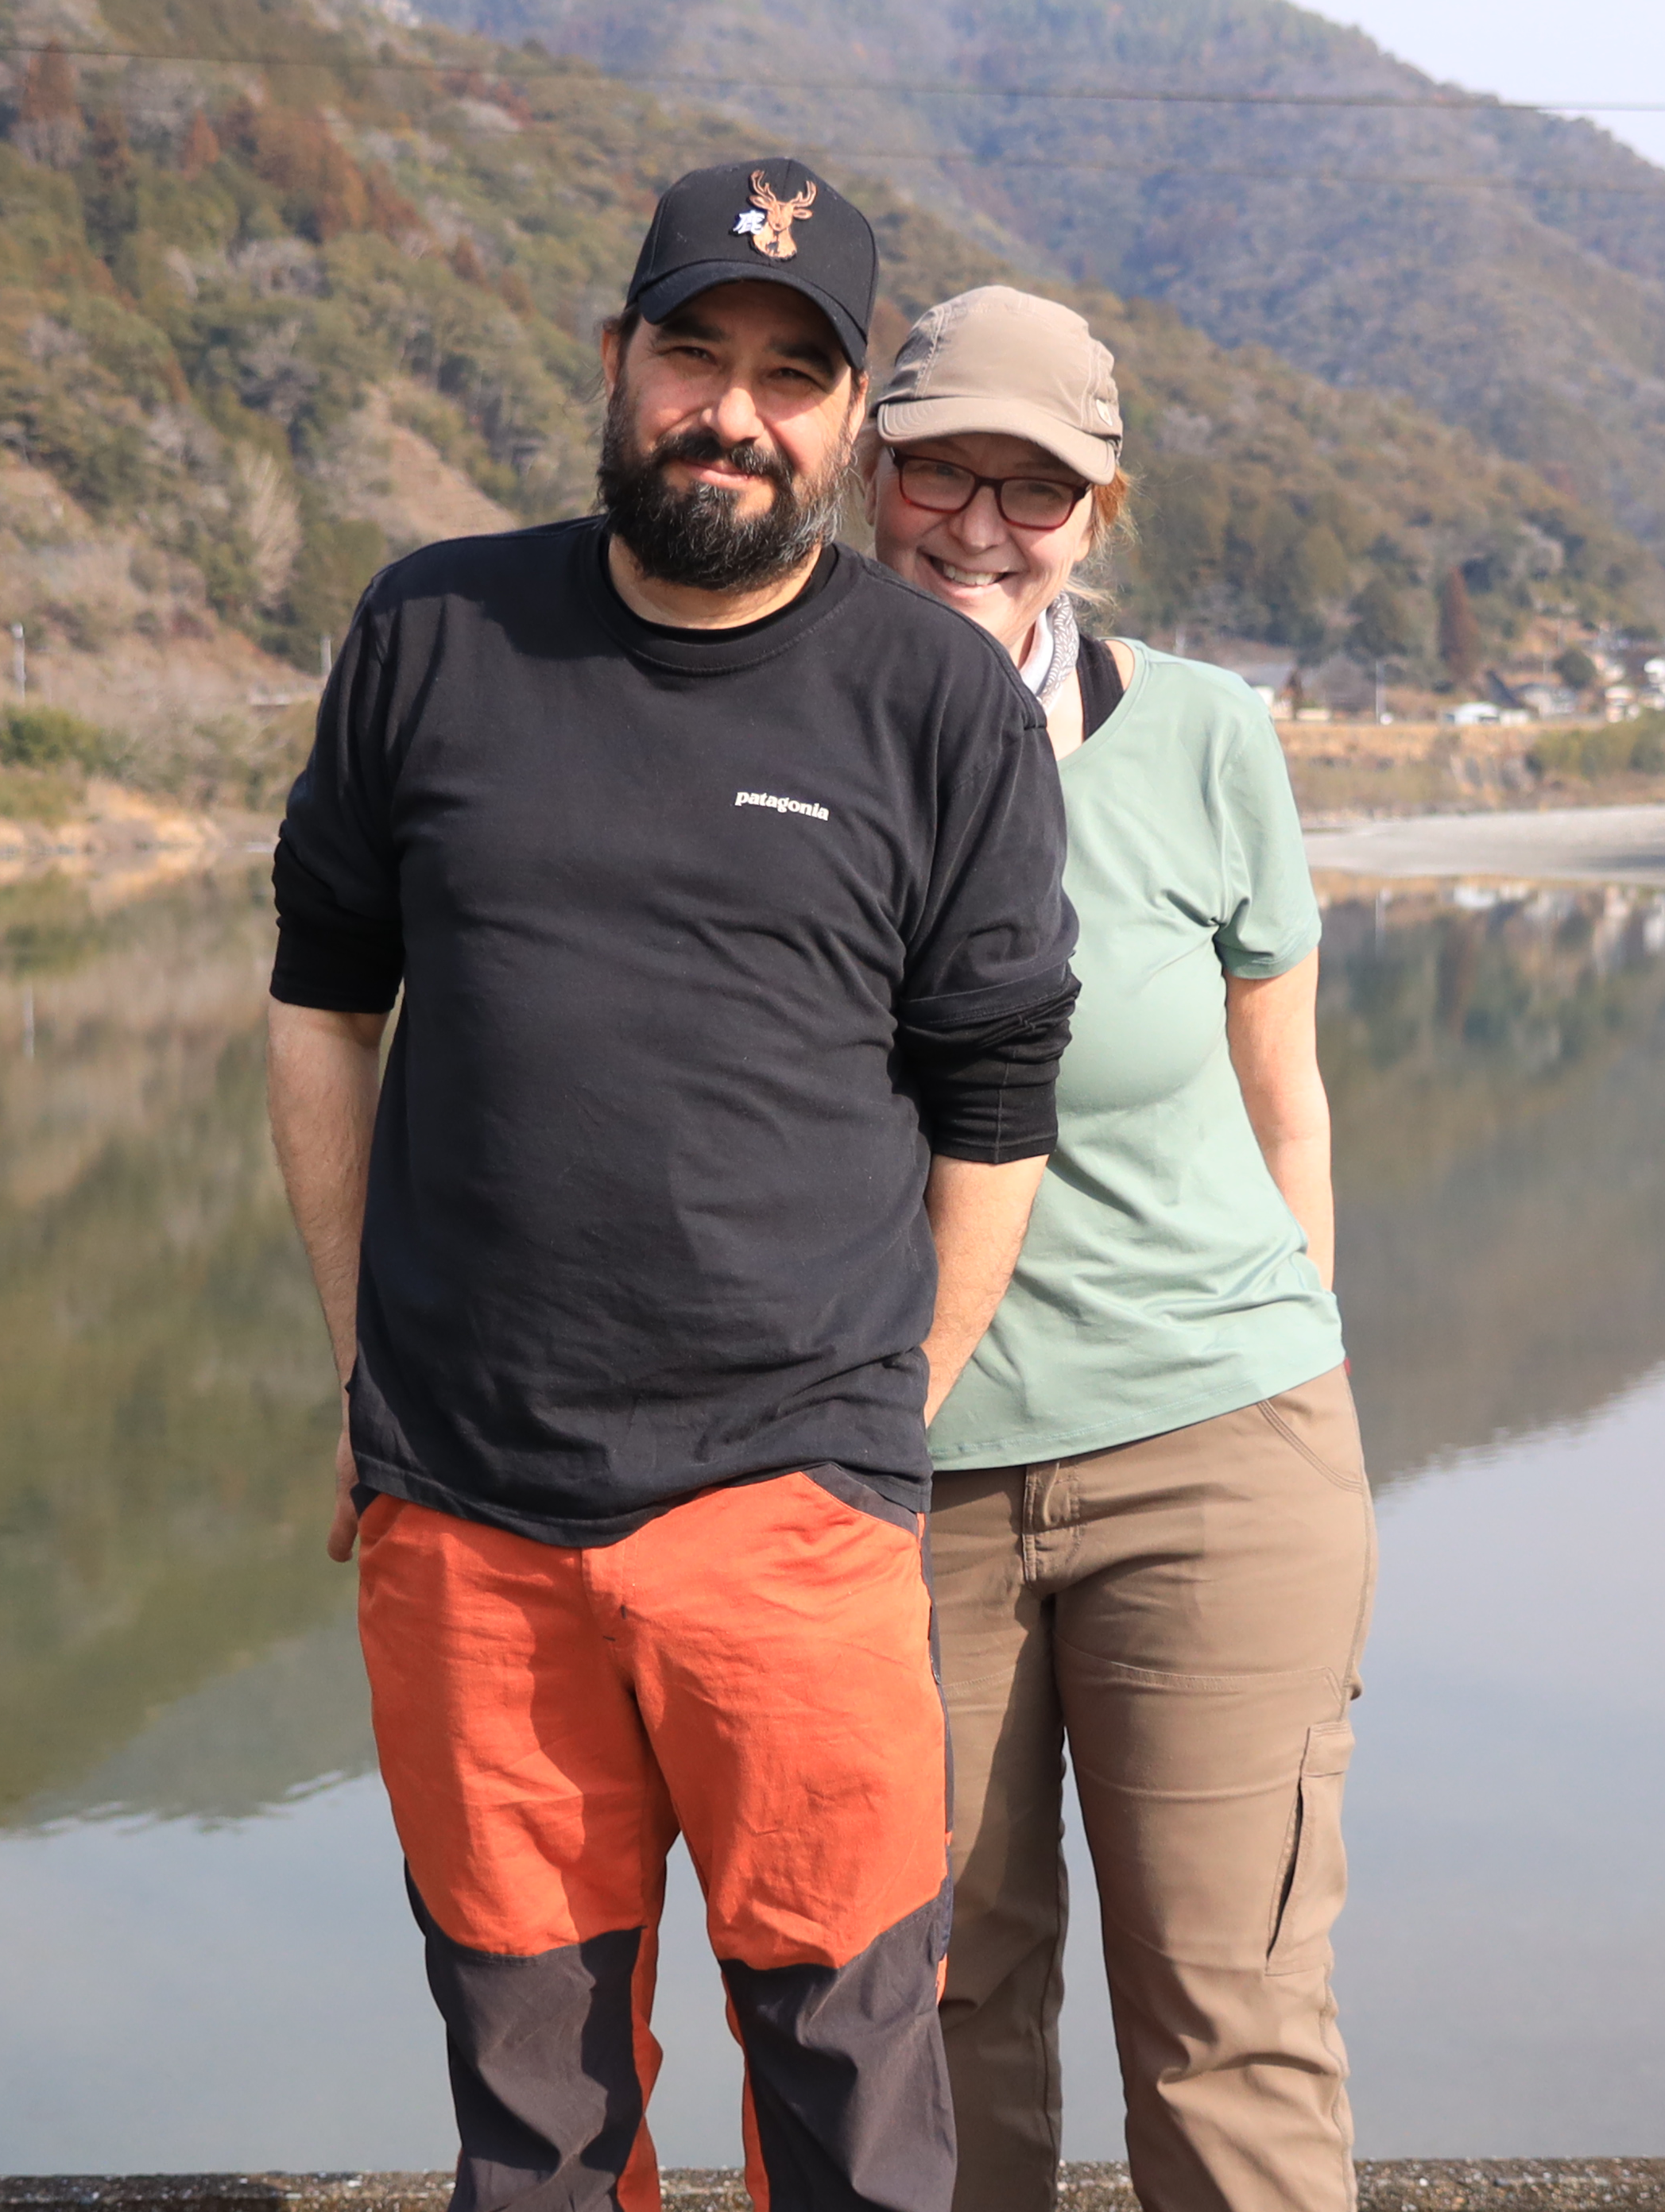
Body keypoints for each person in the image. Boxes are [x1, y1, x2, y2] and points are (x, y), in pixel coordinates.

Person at [265, 168, 1080, 2212]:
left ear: (849, 422)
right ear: (615, 362)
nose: (736, 412)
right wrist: (371, 1371)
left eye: (792, 377)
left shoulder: (932, 699)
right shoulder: (432, 631)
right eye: (695, 355)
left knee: (848, 2079)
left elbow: (997, 1098)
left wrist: (886, 1421)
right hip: (467, 1513)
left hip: (790, 1513)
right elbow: (317, 1008)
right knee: (529, 2110)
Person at [867, 288, 1373, 2212]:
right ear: (868, 469)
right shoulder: (768, 744)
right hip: (903, 1474)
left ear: (1104, 508)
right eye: (940, 472)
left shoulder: (1210, 736)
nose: (981, 525)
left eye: (1037, 487)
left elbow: (1286, 1096)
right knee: (929, 2011)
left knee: (1228, 2024)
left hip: (1218, 1457)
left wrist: (1301, 1362)